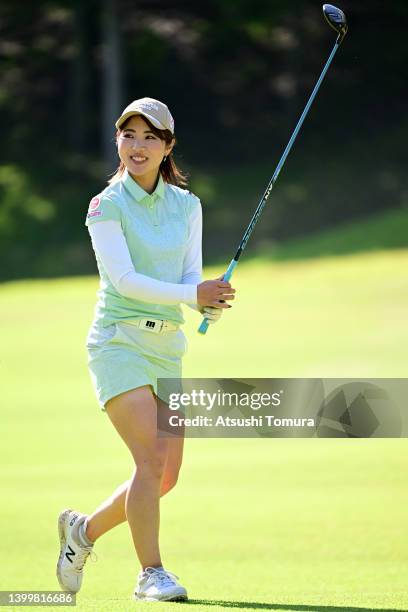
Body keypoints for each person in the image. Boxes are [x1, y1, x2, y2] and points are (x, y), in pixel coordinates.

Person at [56, 97, 236, 602]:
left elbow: (186, 277)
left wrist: (208, 304)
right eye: (128, 135)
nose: (137, 146)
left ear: (168, 146)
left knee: (166, 476)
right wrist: (191, 294)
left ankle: (82, 533)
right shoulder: (105, 205)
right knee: (151, 460)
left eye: (149, 137)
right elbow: (125, 280)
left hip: (166, 350)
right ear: (118, 141)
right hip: (119, 342)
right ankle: (150, 573)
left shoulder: (187, 205)